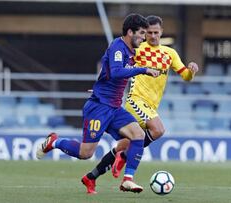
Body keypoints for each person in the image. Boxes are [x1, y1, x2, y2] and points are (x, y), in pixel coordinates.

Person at [36, 13, 160, 194]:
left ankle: (127, 180)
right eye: (141, 33)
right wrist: (144, 70)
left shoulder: (130, 51)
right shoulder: (118, 47)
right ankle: (54, 142)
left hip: (114, 107)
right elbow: (117, 72)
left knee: (138, 135)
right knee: (86, 153)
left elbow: (108, 71)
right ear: (130, 32)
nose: (144, 37)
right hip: (100, 107)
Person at [82, 15, 199, 194]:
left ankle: (91, 176)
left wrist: (191, 71)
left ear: (161, 32)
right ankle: (125, 168)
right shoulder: (137, 48)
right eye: (149, 32)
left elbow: (185, 76)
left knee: (124, 145)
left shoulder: (170, 54)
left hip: (152, 106)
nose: (151, 36)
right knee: (158, 129)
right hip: (135, 101)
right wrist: (100, 88)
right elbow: (113, 66)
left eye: (155, 32)